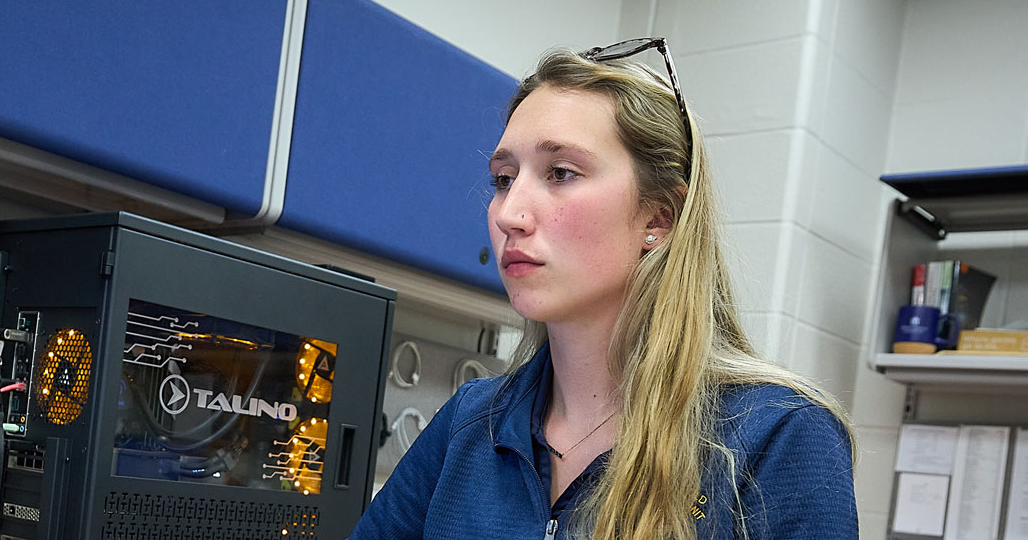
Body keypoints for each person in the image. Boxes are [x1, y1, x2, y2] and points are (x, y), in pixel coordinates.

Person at [350, 40, 857, 540]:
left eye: (561, 173)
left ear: (659, 217)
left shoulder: (776, 437)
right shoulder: (469, 424)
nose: (509, 214)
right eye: (504, 179)